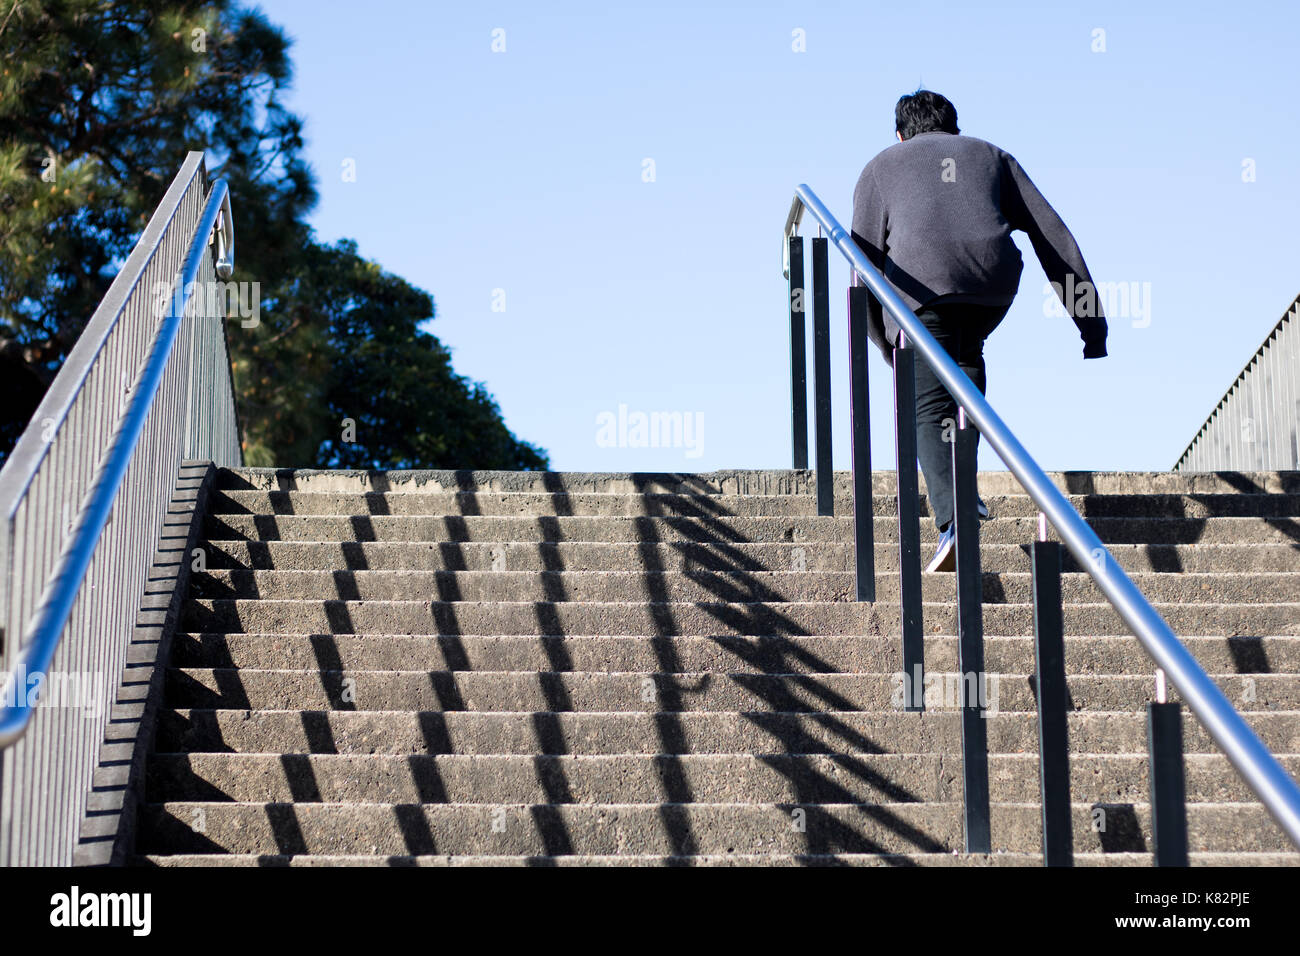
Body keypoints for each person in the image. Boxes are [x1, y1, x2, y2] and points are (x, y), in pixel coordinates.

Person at [851, 90, 1108, 572]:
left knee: (925, 405)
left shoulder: (882, 165)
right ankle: (964, 494)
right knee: (965, 375)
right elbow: (1053, 235)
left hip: (920, 295)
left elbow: (861, 263)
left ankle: (954, 519)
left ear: (901, 133)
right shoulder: (991, 155)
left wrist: (886, 342)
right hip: (989, 291)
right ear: (954, 126)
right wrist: (1092, 327)